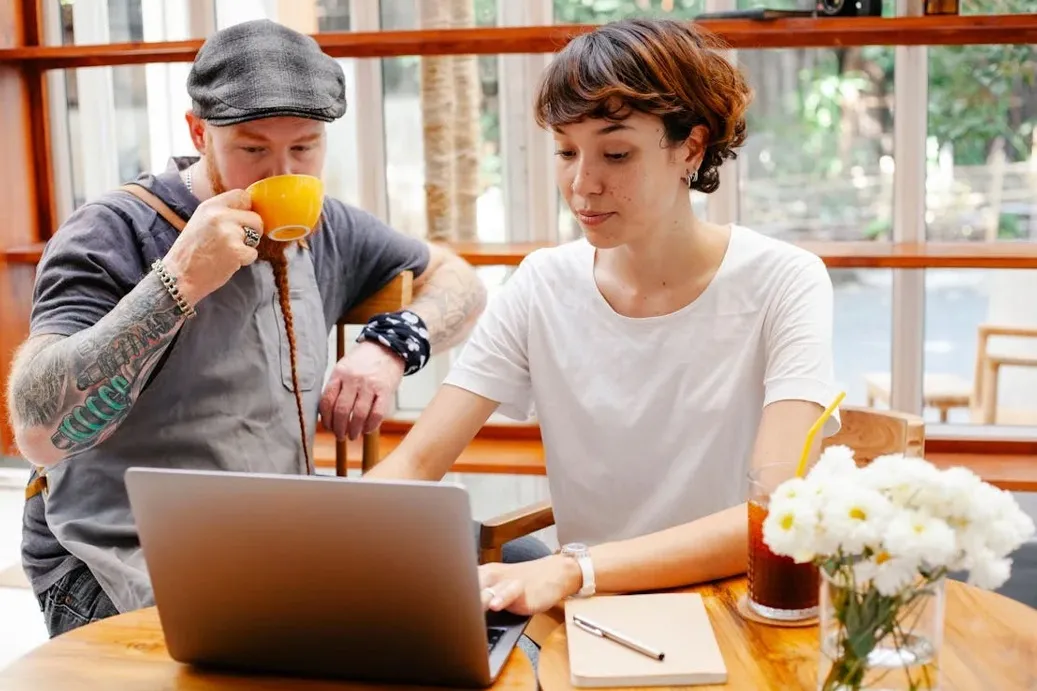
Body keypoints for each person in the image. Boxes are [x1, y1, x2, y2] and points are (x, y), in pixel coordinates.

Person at [6, 19, 547, 638]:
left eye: (305, 147)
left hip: (280, 537)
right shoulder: (114, 231)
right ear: (198, 132)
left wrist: (394, 346)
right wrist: (176, 283)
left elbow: (460, 283)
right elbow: (38, 432)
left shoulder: (325, 226)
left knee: (520, 570)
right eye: (252, 148)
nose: (280, 170)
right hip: (119, 556)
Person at [365, 17, 841, 616]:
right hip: (587, 616)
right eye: (566, 151)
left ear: (690, 148)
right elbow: (416, 461)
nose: (582, 184)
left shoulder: (784, 280)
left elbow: (780, 510)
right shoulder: (542, 283)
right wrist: (317, 549)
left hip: (731, 610)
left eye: (615, 153)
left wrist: (573, 570)